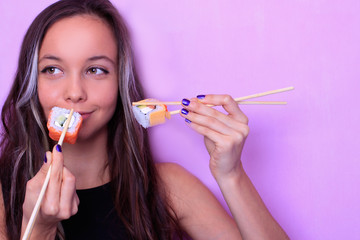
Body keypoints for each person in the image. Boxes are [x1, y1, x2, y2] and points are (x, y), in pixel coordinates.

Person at [0, 0, 289, 239]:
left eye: (96, 70)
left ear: (121, 85)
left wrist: (232, 175)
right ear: (31, 81)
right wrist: (39, 229)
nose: (74, 93)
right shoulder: (4, 191)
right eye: (52, 69)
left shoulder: (169, 188)